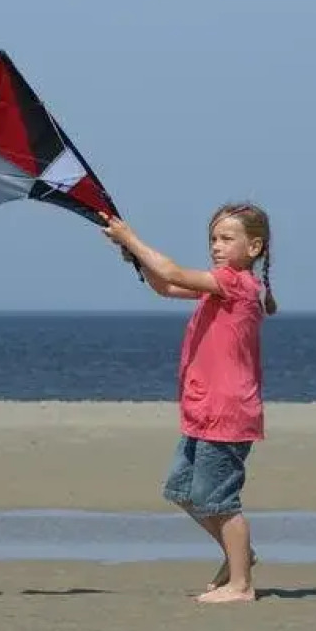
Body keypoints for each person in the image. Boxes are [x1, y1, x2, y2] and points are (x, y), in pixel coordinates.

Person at [102, 202, 277, 605]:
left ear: (254, 247)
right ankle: (241, 559)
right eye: (213, 239)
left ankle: (242, 584)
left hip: (228, 412)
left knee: (219, 500)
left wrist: (132, 238)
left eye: (226, 239)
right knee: (182, 490)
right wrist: (135, 257)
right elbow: (166, 285)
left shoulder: (240, 284)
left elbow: (175, 272)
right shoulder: (218, 285)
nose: (216, 246)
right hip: (202, 411)